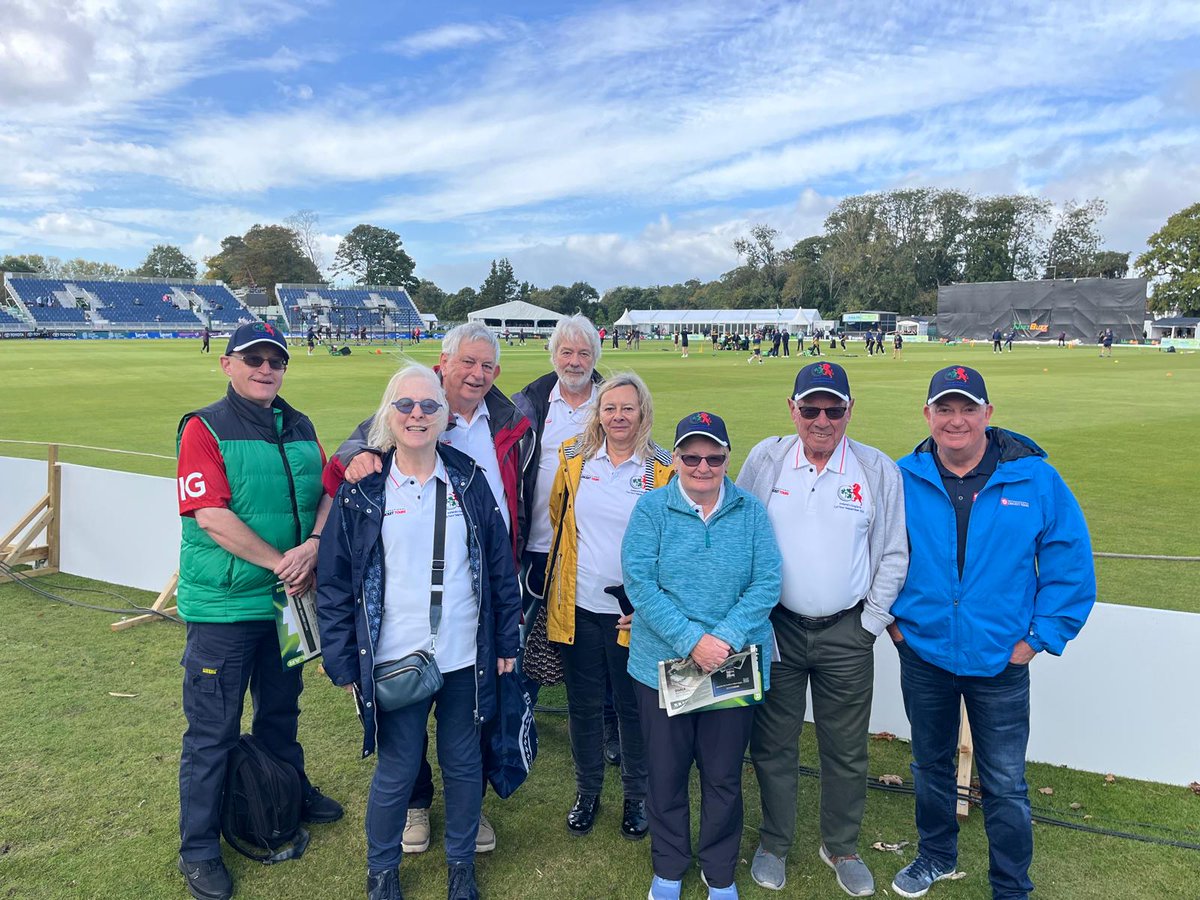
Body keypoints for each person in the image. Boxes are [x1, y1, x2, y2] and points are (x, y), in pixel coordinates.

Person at [888, 366, 1095, 900]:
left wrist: (1038, 638)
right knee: (930, 764)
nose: (956, 420)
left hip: (1002, 659)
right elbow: (873, 556)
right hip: (924, 653)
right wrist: (893, 625)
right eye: (945, 408)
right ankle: (935, 856)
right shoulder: (902, 476)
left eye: (967, 408)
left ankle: (1010, 885)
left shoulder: (1037, 479)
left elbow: (1069, 563)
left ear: (988, 414)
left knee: (1005, 783)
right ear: (928, 415)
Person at [327, 323, 534, 856]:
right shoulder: (367, 486)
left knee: (464, 755)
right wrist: (345, 659)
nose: (477, 373)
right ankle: (389, 861)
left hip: (467, 638)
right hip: (396, 646)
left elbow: (495, 556)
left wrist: (507, 639)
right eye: (468, 362)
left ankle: (462, 862)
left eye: (487, 366)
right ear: (445, 364)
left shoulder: (506, 430)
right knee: (399, 761)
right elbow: (336, 578)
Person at [175, 322, 340, 900]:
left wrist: (315, 545)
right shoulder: (203, 426)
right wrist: (283, 564)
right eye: (253, 359)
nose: (265, 368)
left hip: (286, 602)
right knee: (212, 730)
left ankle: (288, 791)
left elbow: (326, 492)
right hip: (227, 606)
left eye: (276, 360)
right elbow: (210, 516)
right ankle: (198, 847)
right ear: (227, 365)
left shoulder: (301, 424)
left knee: (280, 711)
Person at [737, 362, 907, 897]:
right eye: (811, 408)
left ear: (850, 412)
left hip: (846, 632)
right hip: (775, 628)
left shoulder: (876, 469)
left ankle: (841, 845)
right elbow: (737, 533)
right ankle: (774, 842)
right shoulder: (766, 459)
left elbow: (895, 554)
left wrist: (870, 625)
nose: (822, 419)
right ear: (792, 410)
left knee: (846, 748)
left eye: (834, 409)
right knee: (773, 743)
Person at [622, 412, 782, 900]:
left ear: (727, 458)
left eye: (714, 457)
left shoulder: (750, 511)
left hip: (732, 665)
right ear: (677, 460)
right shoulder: (651, 509)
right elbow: (640, 584)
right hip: (662, 665)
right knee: (666, 775)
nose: (702, 466)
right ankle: (669, 869)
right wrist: (692, 640)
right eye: (691, 457)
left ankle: (719, 873)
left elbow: (767, 582)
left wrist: (725, 639)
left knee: (722, 776)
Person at [544, 373, 674, 841]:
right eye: (610, 407)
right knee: (583, 706)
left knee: (633, 708)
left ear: (643, 412)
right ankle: (587, 791)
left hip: (635, 614)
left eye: (628, 408)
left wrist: (651, 606)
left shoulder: (663, 467)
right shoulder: (575, 457)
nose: (618, 416)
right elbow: (560, 516)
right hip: (578, 605)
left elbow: (673, 544)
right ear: (598, 412)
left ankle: (636, 796)